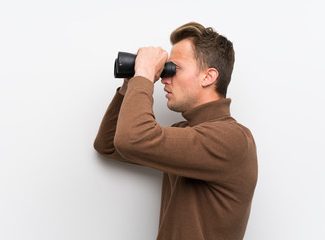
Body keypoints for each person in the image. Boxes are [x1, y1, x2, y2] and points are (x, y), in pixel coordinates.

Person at [94, 22, 258, 240]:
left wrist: (144, 75)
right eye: (165, 69)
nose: (164, 78)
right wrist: (130, 85)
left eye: (174, 69)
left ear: (208, 77)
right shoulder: (187, 132)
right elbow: (108, 144)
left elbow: (131, 139)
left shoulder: (232, 139)